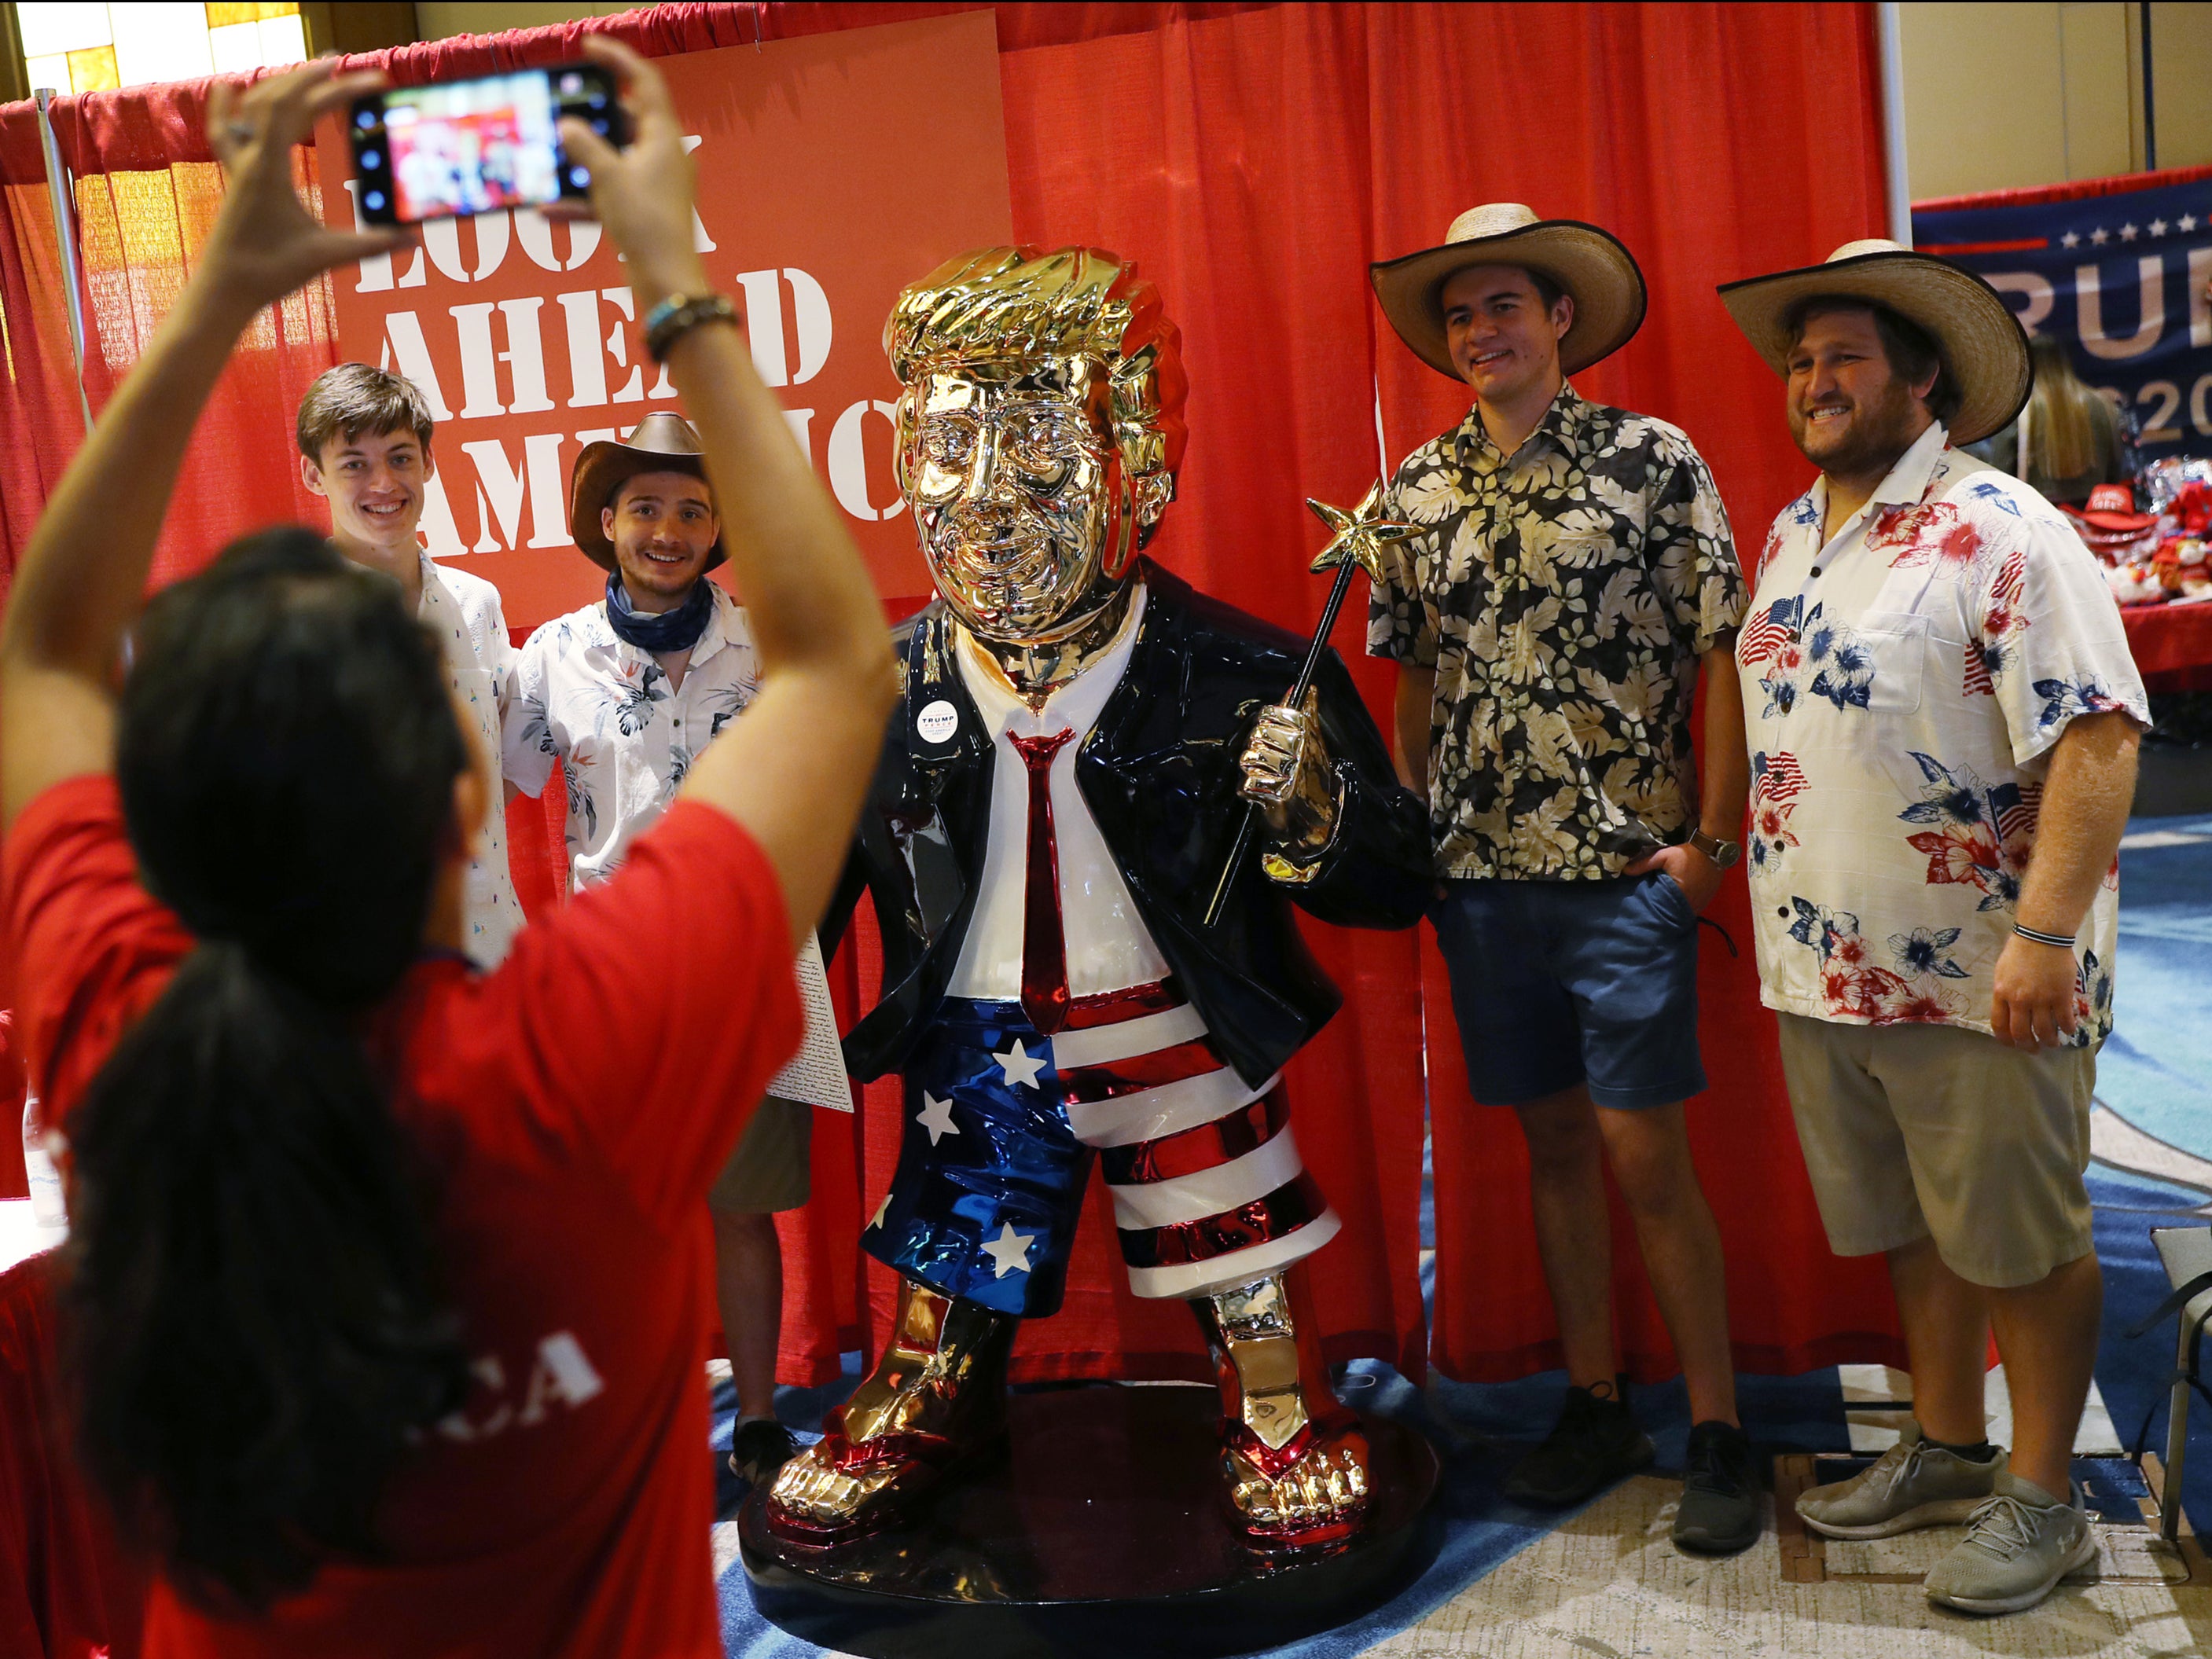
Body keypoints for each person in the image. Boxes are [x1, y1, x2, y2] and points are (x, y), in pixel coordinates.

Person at [0, 42, 894, 1658]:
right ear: (469, 793)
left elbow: (39, 657)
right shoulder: (595, 1044)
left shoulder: (126, 1043)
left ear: (172, 828)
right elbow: (842, 662)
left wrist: (215, 302)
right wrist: (671, 275)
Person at [764, 244, 1432, 1551]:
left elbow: (1396, 884)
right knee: (955, 1233)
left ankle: (1274, 1394)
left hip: (1173, 1030)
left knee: (1234, 1235)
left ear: (1139, 464)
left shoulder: (1243, 673)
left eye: (1034, 450)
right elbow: (802, 883)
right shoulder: (871, 691)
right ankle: (928, 1388)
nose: (984, 499)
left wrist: (1314, 816)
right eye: (944, 450)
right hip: (976, 1042)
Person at [1718, 239, 2147, 1614]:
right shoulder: (1789, 533)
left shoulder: (2004, 528)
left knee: (2022, 1235)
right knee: (1916, 1223)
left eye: (1842, 356)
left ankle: (2045, 1499)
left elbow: (2095, 738)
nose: (1811, 380)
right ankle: (1951, 1444)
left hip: (1983, 970)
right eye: (1800, 359)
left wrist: (2044, 933)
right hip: (1824, 967)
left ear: (1922, 380)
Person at [1365, 204, 1759, 1552]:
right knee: (1549, 1147)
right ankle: (1595, 1402)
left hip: (1623, 879)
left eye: (1503, 305)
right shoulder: (1415, 490)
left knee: (1645, 1153)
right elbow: (1412, 677)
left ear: (1559, 318)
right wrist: (1417, 830)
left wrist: (1711, 846)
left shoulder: (1652, 460)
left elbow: (1719, 649)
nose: (1481, 331)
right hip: (1480, 885)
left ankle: (1717, 1425)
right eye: (1459, 314)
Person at [504, 412, 821, 1488]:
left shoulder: (767, 644)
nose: (668, 531)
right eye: (645, 508)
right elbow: (492, 777)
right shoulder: (550, 657)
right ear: (608, 522)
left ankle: (762, 1415)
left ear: (718, 526)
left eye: (691, 510)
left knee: (740, 1205)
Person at [297, 361, 526, 967]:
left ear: (428, 462)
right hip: (363, 965)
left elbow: (497, 764)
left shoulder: (477, 604)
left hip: (491, 945)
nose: (383, 483)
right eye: (354, 464)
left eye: (400, 457)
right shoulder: (289, 624)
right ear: (314, 475)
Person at [1970, 335, 2137, 506]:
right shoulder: (2104, 406)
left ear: (2026, 364)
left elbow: (2001, 473)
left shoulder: (2021, 412)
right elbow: (2116, 471)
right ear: (2065, 361)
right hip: (2094, 511)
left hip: (2038, 512)